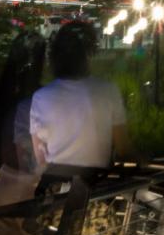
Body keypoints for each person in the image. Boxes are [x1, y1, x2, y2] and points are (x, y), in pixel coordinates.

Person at [29, 21, 129, 189]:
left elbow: (40, 156)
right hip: (93, 187)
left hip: (53, 188)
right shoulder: (107, 91)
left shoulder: (41, 97)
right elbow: (124, 148)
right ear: (88, 56)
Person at [0, 31, 46, 235]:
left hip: (5, 190)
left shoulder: (6, 98)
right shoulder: (35, 101)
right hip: (26, 192)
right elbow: (27, 157)